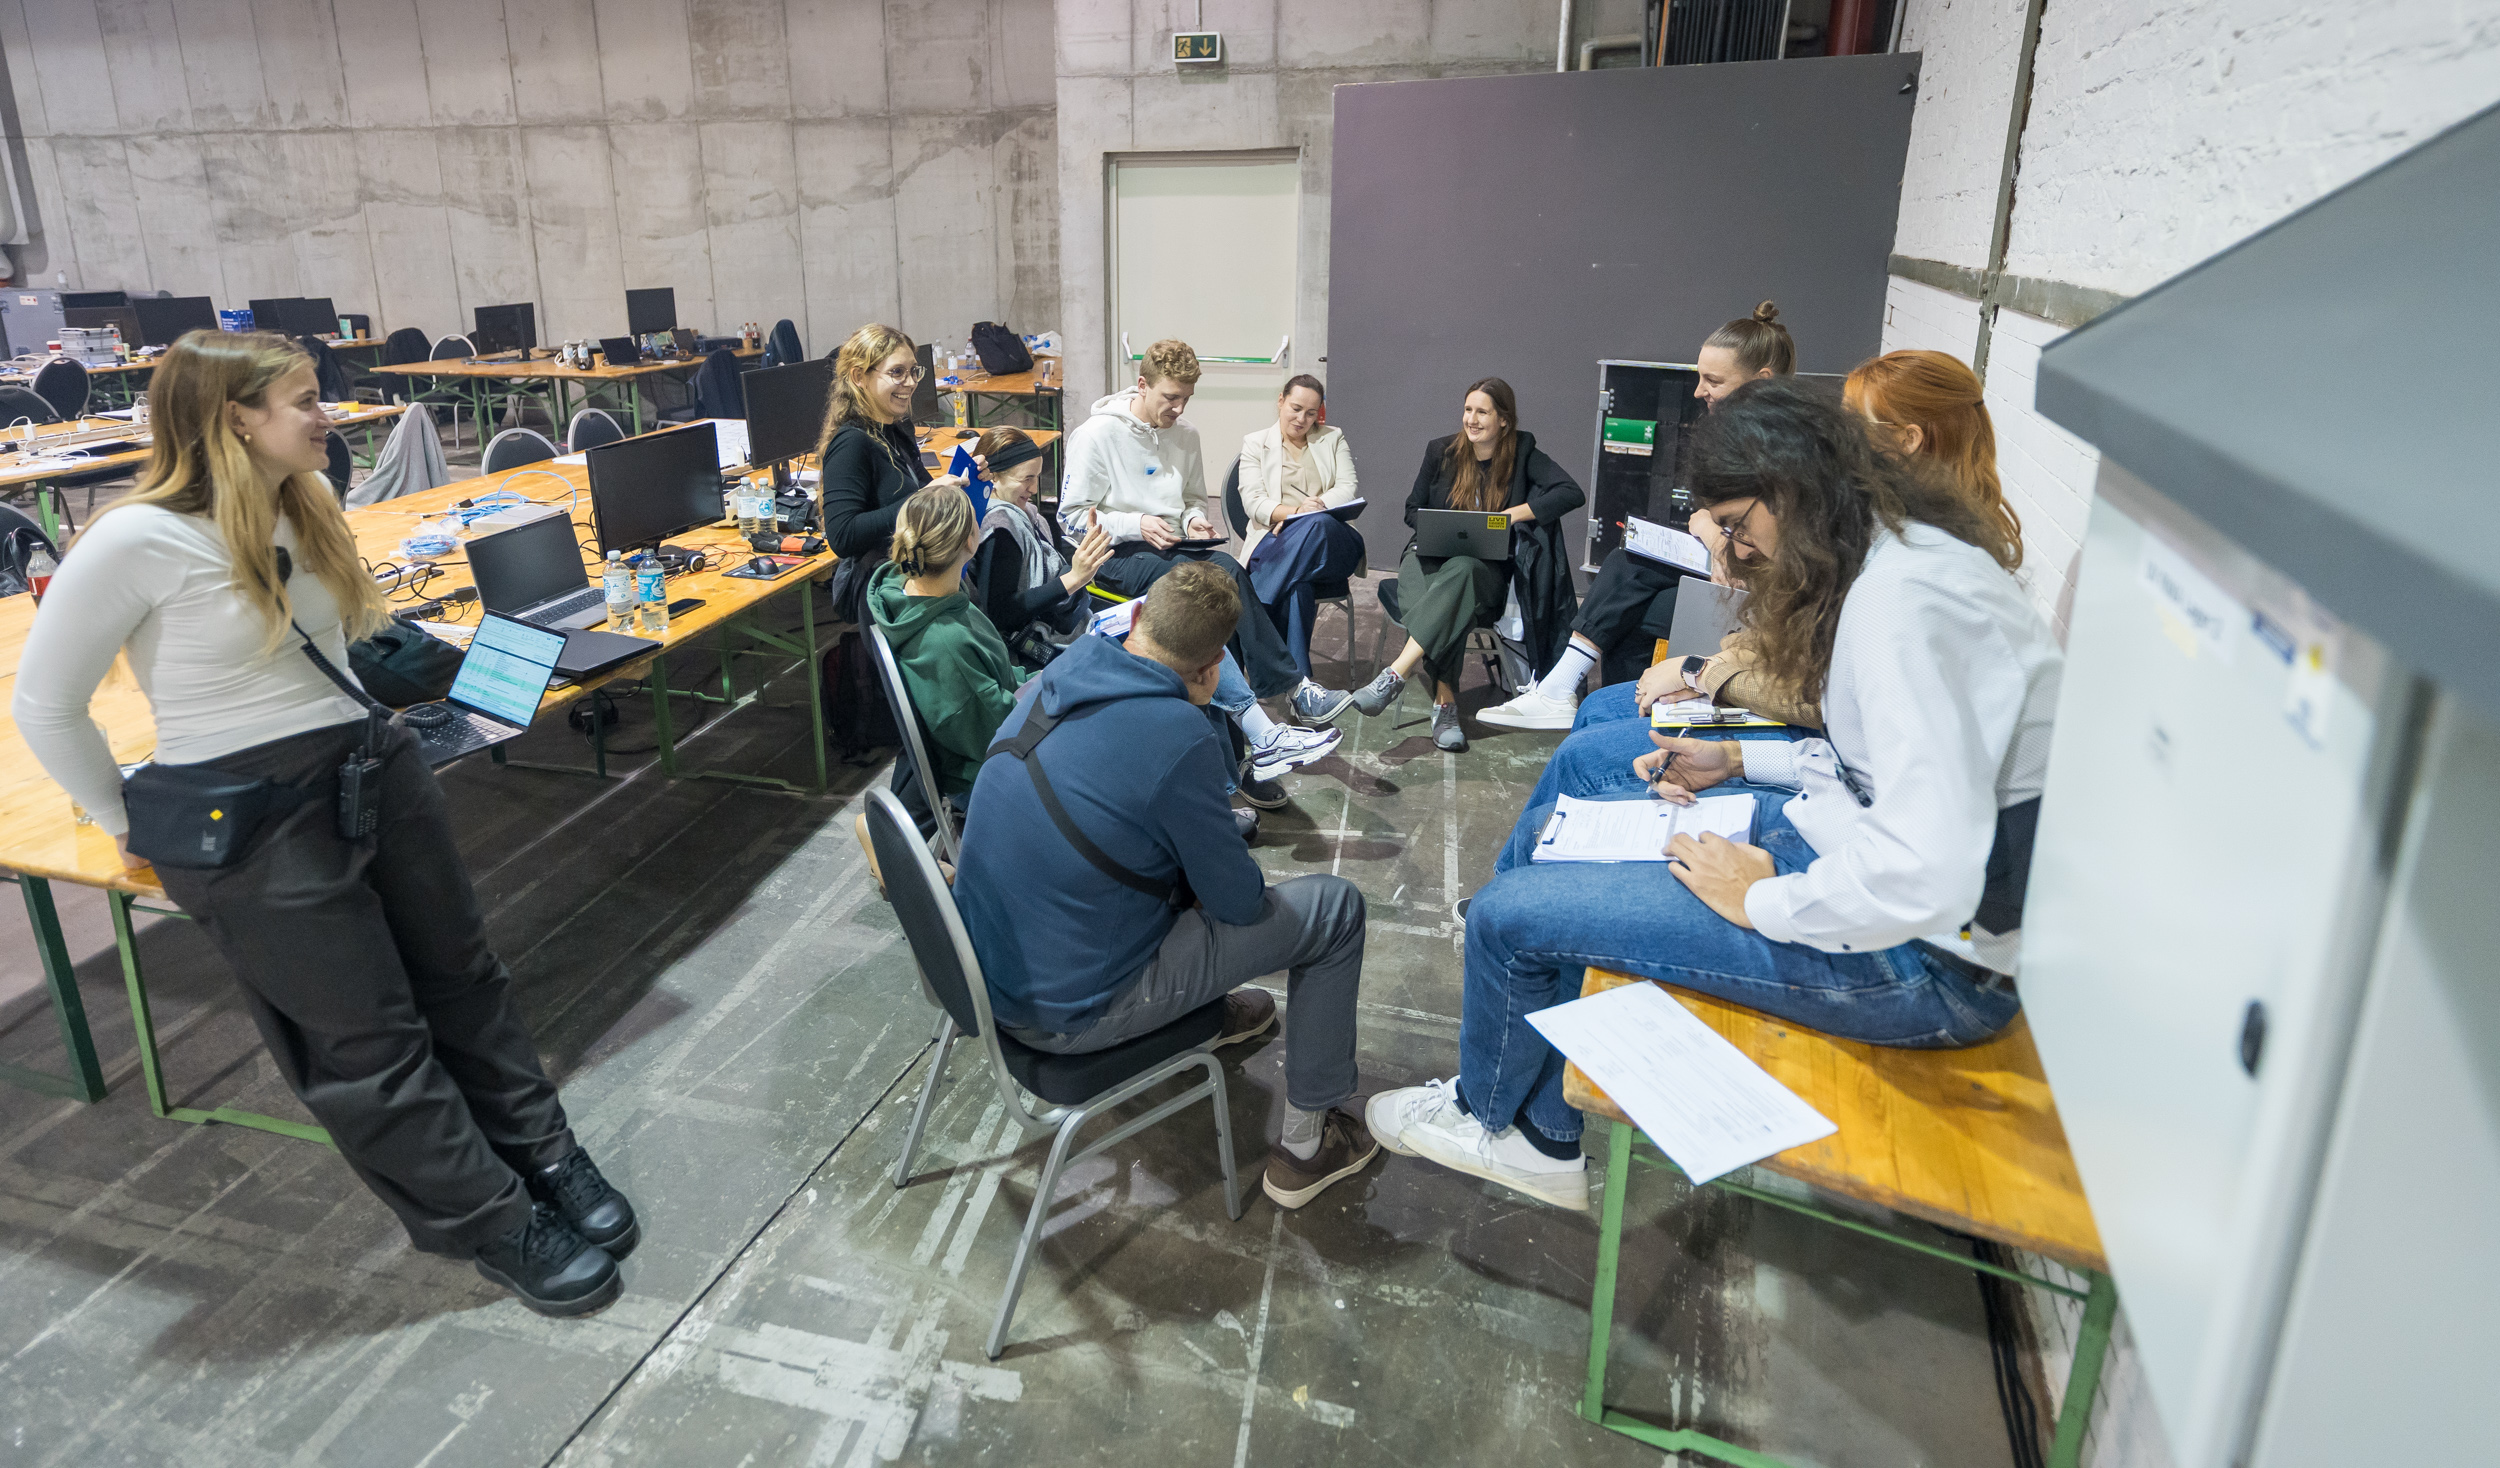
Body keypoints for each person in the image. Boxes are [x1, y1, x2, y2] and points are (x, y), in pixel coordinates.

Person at [11, 332, 635, 1315]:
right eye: (302, 400)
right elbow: (46, 703)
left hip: (371, 767)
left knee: (464, 980)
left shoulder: (311, 502)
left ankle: (544, 1156)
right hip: (252, 816)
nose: (326, 415)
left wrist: (494, 661)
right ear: (233, 418)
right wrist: (120, 815)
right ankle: (490, 1216)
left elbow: (354, 650)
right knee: (369, 1041)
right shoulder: (136, 540)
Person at [1367, 379, 2060, 1209]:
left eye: (1737, 527)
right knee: (1565, 835)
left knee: (1510, 918)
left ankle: (1507, 1129)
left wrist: (1762, 896)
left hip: (1929, 963)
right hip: (1872, 877)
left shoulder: (1900, 606)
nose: (1736, 552)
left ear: (1794, 493)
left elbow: (1926, 872)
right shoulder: (1893, 561)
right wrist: (1738, 763)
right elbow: (1861, 771)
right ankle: (1531, 1080)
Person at [955, 563, 1380, 1209]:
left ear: (1136, 623)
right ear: (1212, 670)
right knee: (1334, 909)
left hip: (986, 975)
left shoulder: (1050, 682)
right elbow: (1238, 902)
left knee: (1146, 854)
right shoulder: (1177, 733)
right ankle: (1306, 1147)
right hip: (1070, 1012)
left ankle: (1204, 1010)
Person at [1570, 345, 2024, 737]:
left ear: (1907, 440)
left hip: (1811, 745)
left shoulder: (1911, 556)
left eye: (1854, 428)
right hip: (1802, 733)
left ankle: (1563, 678)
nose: (1835, 442)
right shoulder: (1881, 523)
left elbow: (1830, 701)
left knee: (1598, 734)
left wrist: (1703, 672)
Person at [1477, 302, 1795, 732]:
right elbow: (1706, 515)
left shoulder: (1790, 455)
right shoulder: (1742, 440)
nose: (1699, 391)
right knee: (1628, 567)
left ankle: (1581, 699)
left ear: (1762, 383)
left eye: (1713, 381)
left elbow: (1775, 552)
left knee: (1630, 591)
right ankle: (1592, 704)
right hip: (1725, 569)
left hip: (1757, 594)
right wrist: (1713, 535)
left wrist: (1726, 544)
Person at [1059, 338, 1354, 728]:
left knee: (1228, 571)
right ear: (1143, 385)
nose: (1178, 408)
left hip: (1170, 545)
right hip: (1114, 554)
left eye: (1187, 398)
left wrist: (1195, 520)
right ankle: (1285, 693)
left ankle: (1258, 705)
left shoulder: (1186, 434)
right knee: (1216, 584)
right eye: (1170, 397)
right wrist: (1136, 524)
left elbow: (1193, 499)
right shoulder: (1096, 435)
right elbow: (1071, 519)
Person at [1344, 377, 1583, 753]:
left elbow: (1571, 493)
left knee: (1463, 574)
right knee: (1451, 602)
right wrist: (1443, 525)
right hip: (1426, 558)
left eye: (1482, 412)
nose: (1472, 419)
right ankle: (1445, 702)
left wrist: (1510, 516)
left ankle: (1395, 674)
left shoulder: (1523, 451)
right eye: (1468, 410)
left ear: (1503, 419)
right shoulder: (1441, 451)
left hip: (1482, 572)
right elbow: (1412, 510)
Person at [869, 483, 1025, 832]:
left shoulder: (908, 590)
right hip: (985, 771)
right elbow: (999, 733)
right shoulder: (947, 643)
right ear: (971, 541)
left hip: (987, 731)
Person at [816, 323, 969, 622]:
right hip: (884, 592)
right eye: (897, 373)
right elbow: (842, 536)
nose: (910, 382)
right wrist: (923, 498)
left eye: (914, 371)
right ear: (859, 377)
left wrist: (966, 479)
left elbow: (923, 491)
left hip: (915, 576)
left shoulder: (897, 429)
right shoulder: (851, 442)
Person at [1237, 374, 1363, 679]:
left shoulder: (1333, 438)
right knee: (1297, 587)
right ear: (1280, 401)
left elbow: (1348, 486)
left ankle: (1254, 609)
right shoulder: (1256, 443)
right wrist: (1294, 512)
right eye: (1295, 408)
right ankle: (1300, 688)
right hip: (1281, 545)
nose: (1302, 419)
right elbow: (1253, 502)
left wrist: (1309, 512)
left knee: (1316, 523)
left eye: (1311, 412)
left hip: (1332, 543)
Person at [969, 425, 1115, 669]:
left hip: (1058, 623)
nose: (1034, 489)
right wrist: (1075, 578)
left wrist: (1084, 555)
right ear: (993, 476)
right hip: (1029, 651)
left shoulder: (1029, 516)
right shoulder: (999, 529)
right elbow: (1001, 614)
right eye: (1026, 478)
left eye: (1036, 477)